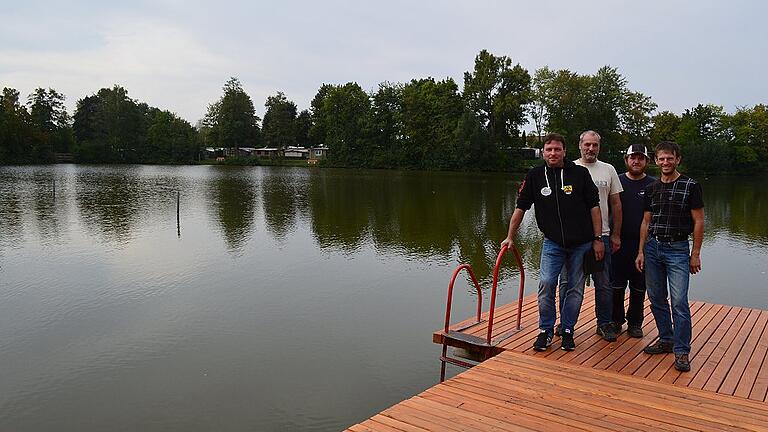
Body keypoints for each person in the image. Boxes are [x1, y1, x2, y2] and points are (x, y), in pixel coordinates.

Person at [501, 133, 603, 352]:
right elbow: (521, 207)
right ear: (544, 152)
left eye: (557, 149)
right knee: (547, 284)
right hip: (553, 243)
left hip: (582, 243)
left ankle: (567, 330)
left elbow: (595, 207)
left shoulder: (580, 174)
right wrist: (510, 236)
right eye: (549, 150)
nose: (553, 153)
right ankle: (545, 331)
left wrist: (597, 239)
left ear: (565, 152)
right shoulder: (535, 176)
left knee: (575, 290)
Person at [635, 141, 704, 372]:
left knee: (679, 302)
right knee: (656, 298)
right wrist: (641, 251)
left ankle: (682, 351)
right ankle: (666, 338)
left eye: (670, 158)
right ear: (656, 161)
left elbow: (699, 221)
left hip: (677, 249)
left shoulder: (690, 186)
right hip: (653, 248)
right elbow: (646, 221)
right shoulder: (652, 188)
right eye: (662, 159)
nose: (666, 162)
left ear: (677, 159)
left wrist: (695, 253)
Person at [558, 131, 623, 342]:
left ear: (599, 147)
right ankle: (565, 323)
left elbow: (616, 205)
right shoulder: (568, 169)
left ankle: (604, 323)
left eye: (595, 145)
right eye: (587, 145)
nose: (591, 149)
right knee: (567, 282)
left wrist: (615, 235)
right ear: (579, 145)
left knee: (603, 283)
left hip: (602, 236)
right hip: (573, 238)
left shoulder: (608, 170)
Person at [611, 144, 656, 338]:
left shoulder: (654, 184)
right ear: (626, 159)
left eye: (640, 158)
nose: (636, 161)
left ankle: (635, 323)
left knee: (639, 287)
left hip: (643, 245)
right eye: (632, 158)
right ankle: (615, 321)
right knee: (616, 286)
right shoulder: (616, 181)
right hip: (618, 243)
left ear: (646, 161)